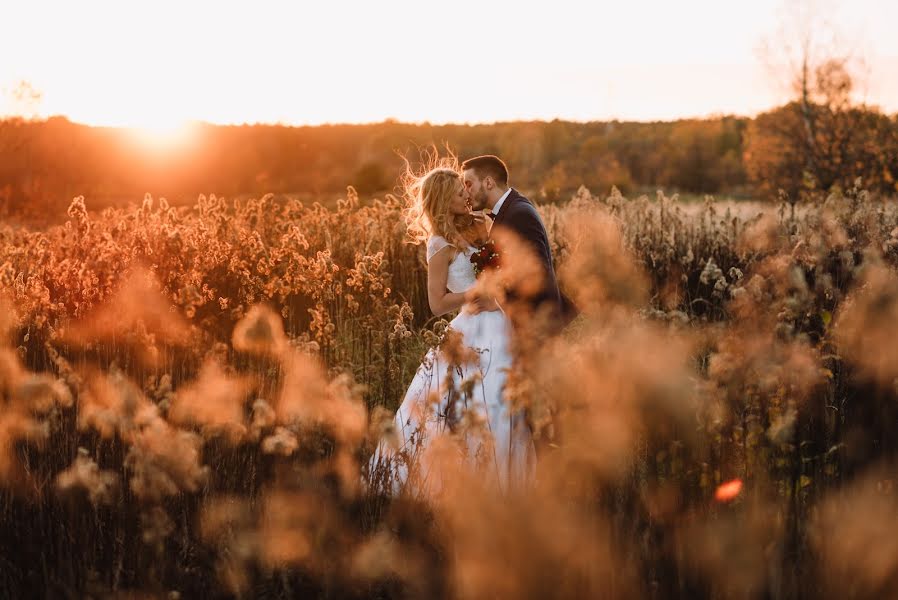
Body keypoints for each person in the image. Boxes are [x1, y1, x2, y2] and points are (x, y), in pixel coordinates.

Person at [368, 159, 535, 497]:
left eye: (467, 188)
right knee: (469, 405)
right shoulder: (438, 244)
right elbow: (437, 303)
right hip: (471, 326)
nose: (467, 195)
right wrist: (475, 294)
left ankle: (510, 484)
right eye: (461, 192)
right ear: (446, 199)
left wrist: (500, 290)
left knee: (504, 400)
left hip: (501, 322)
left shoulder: (481, 226)